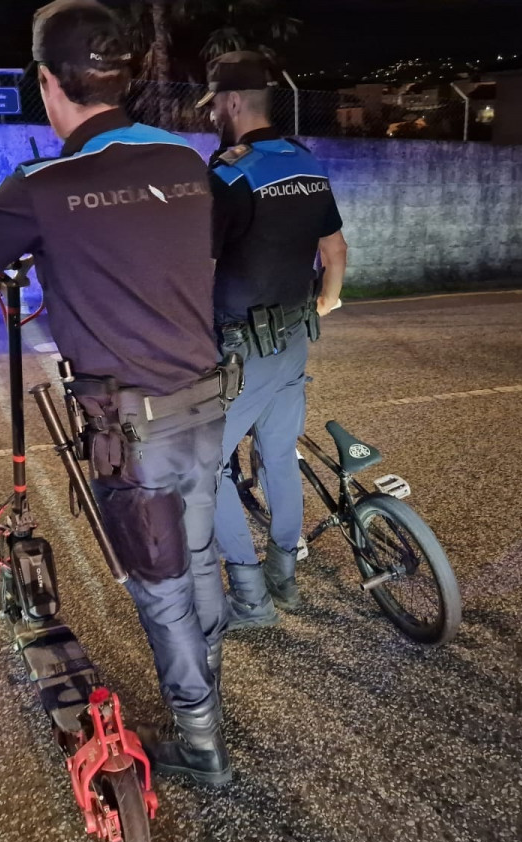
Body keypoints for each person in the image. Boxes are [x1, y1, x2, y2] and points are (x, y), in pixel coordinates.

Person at [0, 0, 236, 785]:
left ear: (45, 82)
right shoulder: (183, 160)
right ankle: (211, 686)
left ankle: (203, 745)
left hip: (132, 427)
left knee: (160, 586)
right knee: (198, 555)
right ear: (126, 75)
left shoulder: (49, 181)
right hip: (205, 402)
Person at [199, 51, 349, 628]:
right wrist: (324, 303)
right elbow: (334, 254)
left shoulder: (229, 177)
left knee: (204, 469)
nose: (212, 112)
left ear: (232, 102)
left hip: (240, 350)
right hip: (294, 338)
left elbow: (197, 271)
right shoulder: (307, 164)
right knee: (279, 456)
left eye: (214, 102)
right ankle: (283, 578)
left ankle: (251, 599)